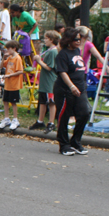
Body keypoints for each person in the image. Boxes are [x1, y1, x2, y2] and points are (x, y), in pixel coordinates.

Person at [54, 28, 90, 156]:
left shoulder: (77, 51)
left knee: (85, 113)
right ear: (68, 40)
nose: (78, 41)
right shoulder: (62, 55)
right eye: (75, 39)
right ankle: (64, 145)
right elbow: (62, 72)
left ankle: (75, 141)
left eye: (80, 39)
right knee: (64, 117)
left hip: (80, 89)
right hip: (65, 90)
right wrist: (71, 86)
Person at [29, 31, 59, 133]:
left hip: (49, 81)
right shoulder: (49, 50)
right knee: (42, 101)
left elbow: (49, 67)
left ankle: (51, 122)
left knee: (51, 102)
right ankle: (40, 120)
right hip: (44, 81)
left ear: (51, 39)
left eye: (46, 38)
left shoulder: (53, 52)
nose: (44, 40)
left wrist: (39, 61)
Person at [0, 40, 23, 131]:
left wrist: (10, 75)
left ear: (14, 48)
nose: (7, 51)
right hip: (7, 84)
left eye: (9, 49)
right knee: (5, 101)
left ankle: (15, 119)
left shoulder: (17, 58)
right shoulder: (10, 58)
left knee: (13, 102)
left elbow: (20, 71)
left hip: (14, 84)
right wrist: (3, 58)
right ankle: (6, 118)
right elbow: (1, 66)